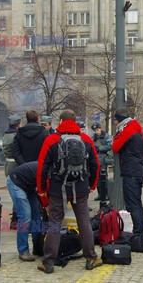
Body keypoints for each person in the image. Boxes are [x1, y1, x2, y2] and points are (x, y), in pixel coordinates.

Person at [36, 109, 101, 273]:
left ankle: (48, 262)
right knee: (84, 222)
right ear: (75, 121)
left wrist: (42, 189)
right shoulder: (85, 139)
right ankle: (91, 258)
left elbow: (42, 167)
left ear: (60, 121)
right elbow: (95, 164)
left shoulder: (51, 140)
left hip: (58, 189)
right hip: (80, 188)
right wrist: (92, 185)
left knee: (55, 224)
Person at [112, 108, 143, 238]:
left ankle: (139, 233)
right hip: (138, 171)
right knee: (137, 202)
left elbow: (115, 147)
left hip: (131, 172)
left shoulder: (128, 131)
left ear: (120, 120)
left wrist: (117, 136)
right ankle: (141, 230)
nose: (115, 122)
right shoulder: (137, 129)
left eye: (115, 120)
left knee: (132, 204)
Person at [6, 161, 42, 262]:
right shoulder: (46, 170)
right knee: (25, 216)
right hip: (16, 182)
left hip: (29, 185)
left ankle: (37, 247)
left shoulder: (52, 170)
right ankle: (23, 250)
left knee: (37, 215)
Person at [91, 122, 113, 202]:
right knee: (97, 177)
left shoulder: (106, 136)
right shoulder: (93, 137)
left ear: (100, 128)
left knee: (103, 176)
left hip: (103, 158)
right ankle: (100, 194)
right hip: (95, 158)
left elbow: (110, 145)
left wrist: (100, 148)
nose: (96, 131)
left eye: (97, 130)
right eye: (95, 130)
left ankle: (106, 194)